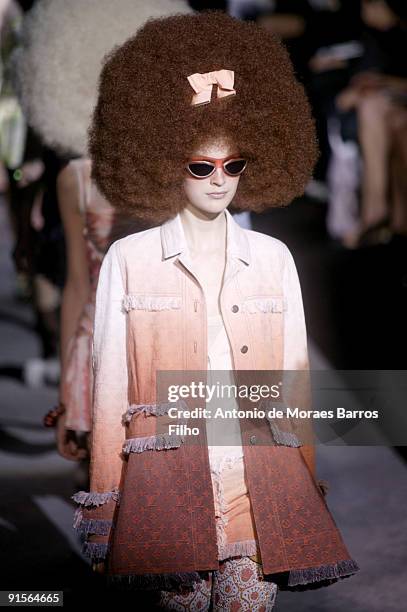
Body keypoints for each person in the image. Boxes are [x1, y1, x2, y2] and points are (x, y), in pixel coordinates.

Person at [72, 11, 359, 609]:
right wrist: (106, 511)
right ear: (167, 161)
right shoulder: (130, 259)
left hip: (256, 483)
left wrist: (305, 488)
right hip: (169, 488)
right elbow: (110, 394)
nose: (219, 179)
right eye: (201, 165)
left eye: (234, 164)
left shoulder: (273, 257)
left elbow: (293, 385)